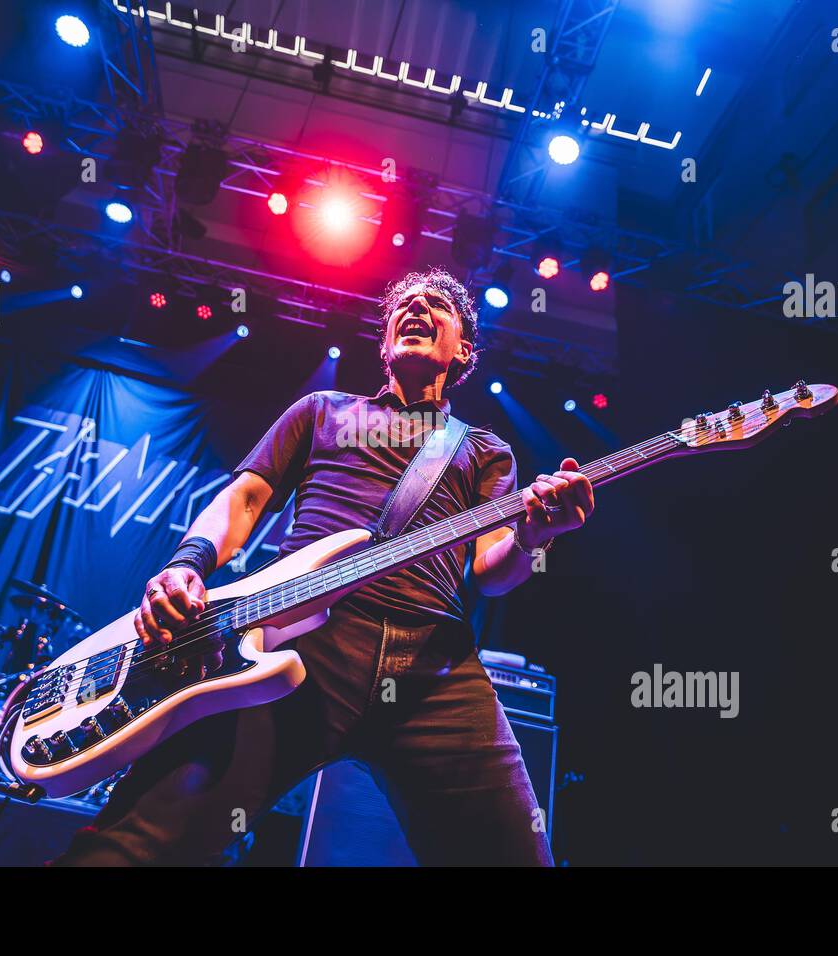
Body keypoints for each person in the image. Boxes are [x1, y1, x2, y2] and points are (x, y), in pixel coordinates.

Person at [52, 266, 594, 865]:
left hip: (433, 662)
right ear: (385, 343)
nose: (416, 307)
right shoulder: (323, 410)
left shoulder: (486, 451)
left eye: (436, 304)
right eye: (404, 304)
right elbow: (245, 499)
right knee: (142, 841)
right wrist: (189, 563)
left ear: (463, 349)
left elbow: (492, 572)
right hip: (298, 632)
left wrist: (537, 535)